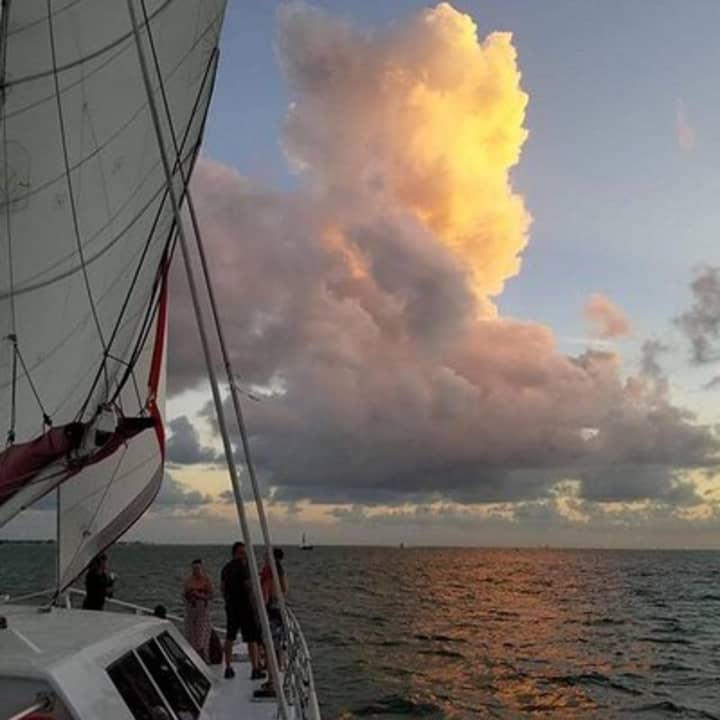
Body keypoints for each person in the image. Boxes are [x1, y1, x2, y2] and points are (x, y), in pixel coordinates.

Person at [220, 541, 264, 680]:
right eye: (244, 552)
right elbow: (249, 587)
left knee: (230, 637)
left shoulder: (225, 568)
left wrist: (228, 601)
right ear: (238, 553)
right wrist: (256, 604)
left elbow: (222, 588)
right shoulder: (244, 567)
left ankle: (227, 667)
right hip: (245, 607)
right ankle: (255, 668)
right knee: (252, 639)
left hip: (231, 607)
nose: (246, 555)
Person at [255, 548, 289, 699]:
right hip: (279, 609)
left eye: (265, 556)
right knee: (277, 645)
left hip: (270, 610)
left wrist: (260, 605)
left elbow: (265, 594)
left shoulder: (269, 571)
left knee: (268, 645)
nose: (264, 558)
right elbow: (285, 589)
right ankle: (278, 672)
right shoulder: (280, 571)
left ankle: (271, 680)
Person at [183, 558, 213, 661]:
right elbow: (184, 595)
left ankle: (204, 657)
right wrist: (190, 595)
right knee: (191, 634)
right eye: (194, 568)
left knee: (202, 635)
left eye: (198, 568)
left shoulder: (206, 579)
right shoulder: (188, 580)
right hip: (191, 610)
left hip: (202, 611)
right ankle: (193, 657)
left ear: (202, 568)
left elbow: (211, 595)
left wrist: (199, 595)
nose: (196, 571)